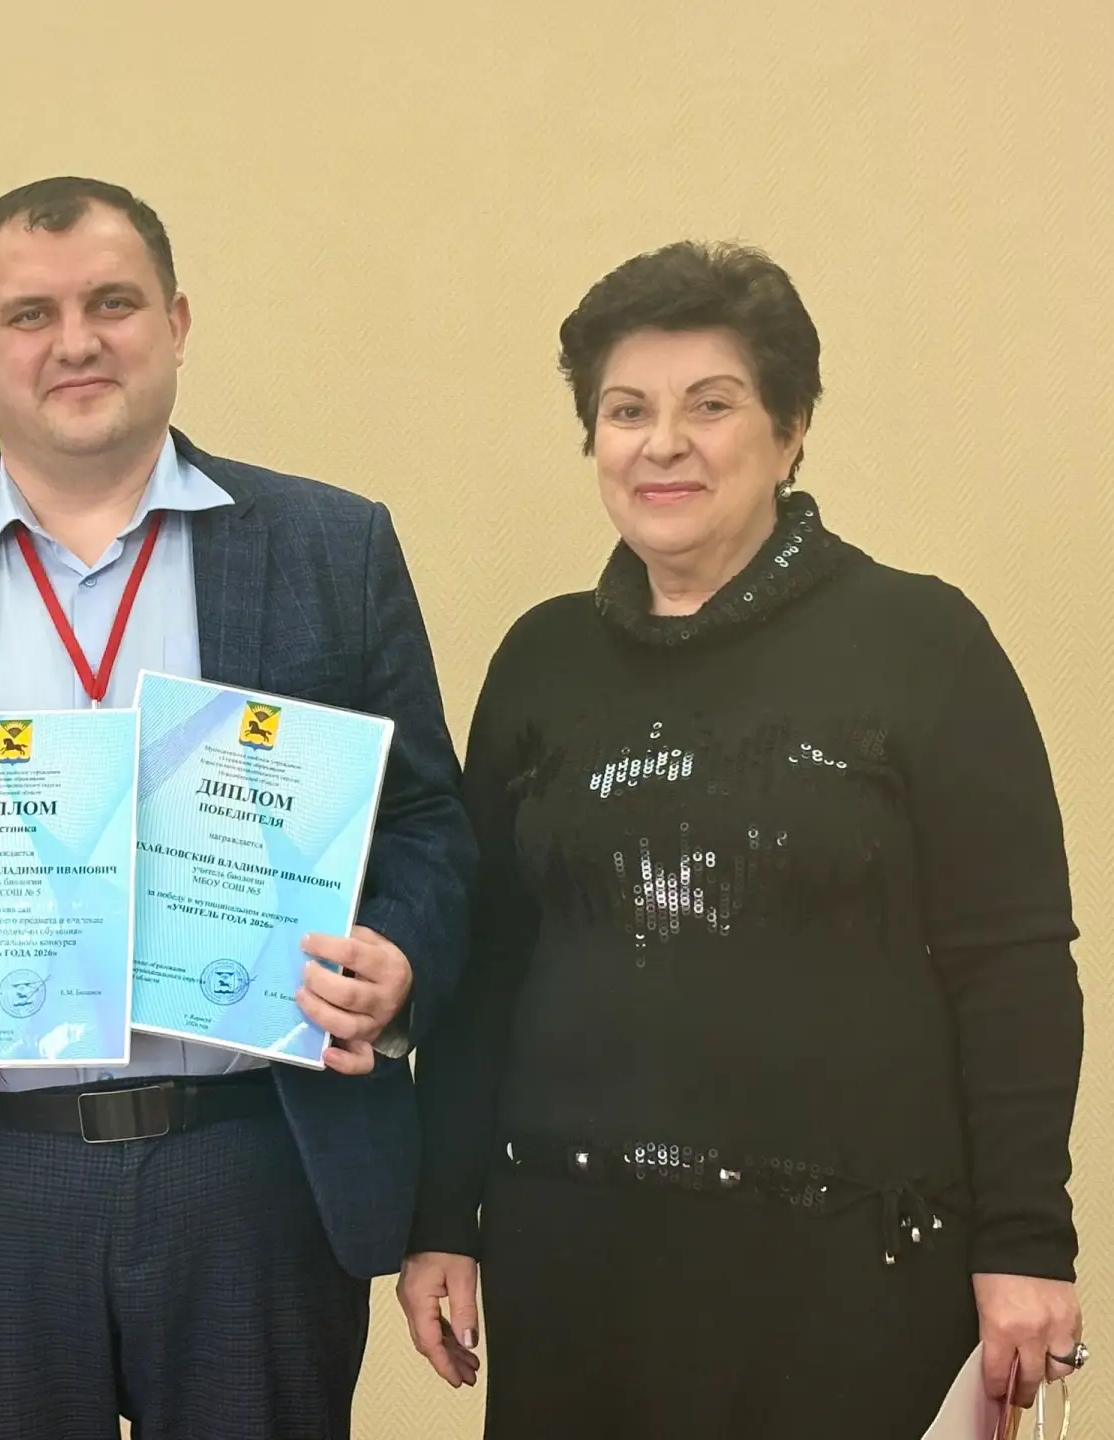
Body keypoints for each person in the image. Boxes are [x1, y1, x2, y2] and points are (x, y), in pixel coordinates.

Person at [0, 176, 473, 1440]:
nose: (75, 342)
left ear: (176, 323)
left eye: (113, 303)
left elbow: (426, 828)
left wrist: (397, 960)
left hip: (255, 1168)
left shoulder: (330, 546)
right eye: (31, 314)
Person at [400, 241, 1085, 1436]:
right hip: (576, 1267)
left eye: (710, 405)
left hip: (854, 1272)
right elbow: (487, 966)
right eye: (627, 410)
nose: (662, 443)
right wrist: (441, 1218)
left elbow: (1012, 965)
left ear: (791, 427)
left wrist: (1027, 1241)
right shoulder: (542, 660)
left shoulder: (922, 641)